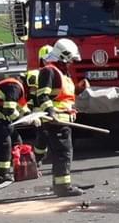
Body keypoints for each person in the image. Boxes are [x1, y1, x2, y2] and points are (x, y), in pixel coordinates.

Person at [33, 38, 82, 196]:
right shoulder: (49, 71)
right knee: (63, 154)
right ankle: (63, 187)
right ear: (63, 57)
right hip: (56, 121)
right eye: (71, 60)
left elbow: (64, 97)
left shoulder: (62, 73)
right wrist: (51, 112)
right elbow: (42, 96)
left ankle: (59, 183)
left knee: (62, 153)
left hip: (63, 120)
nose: (72, 63)